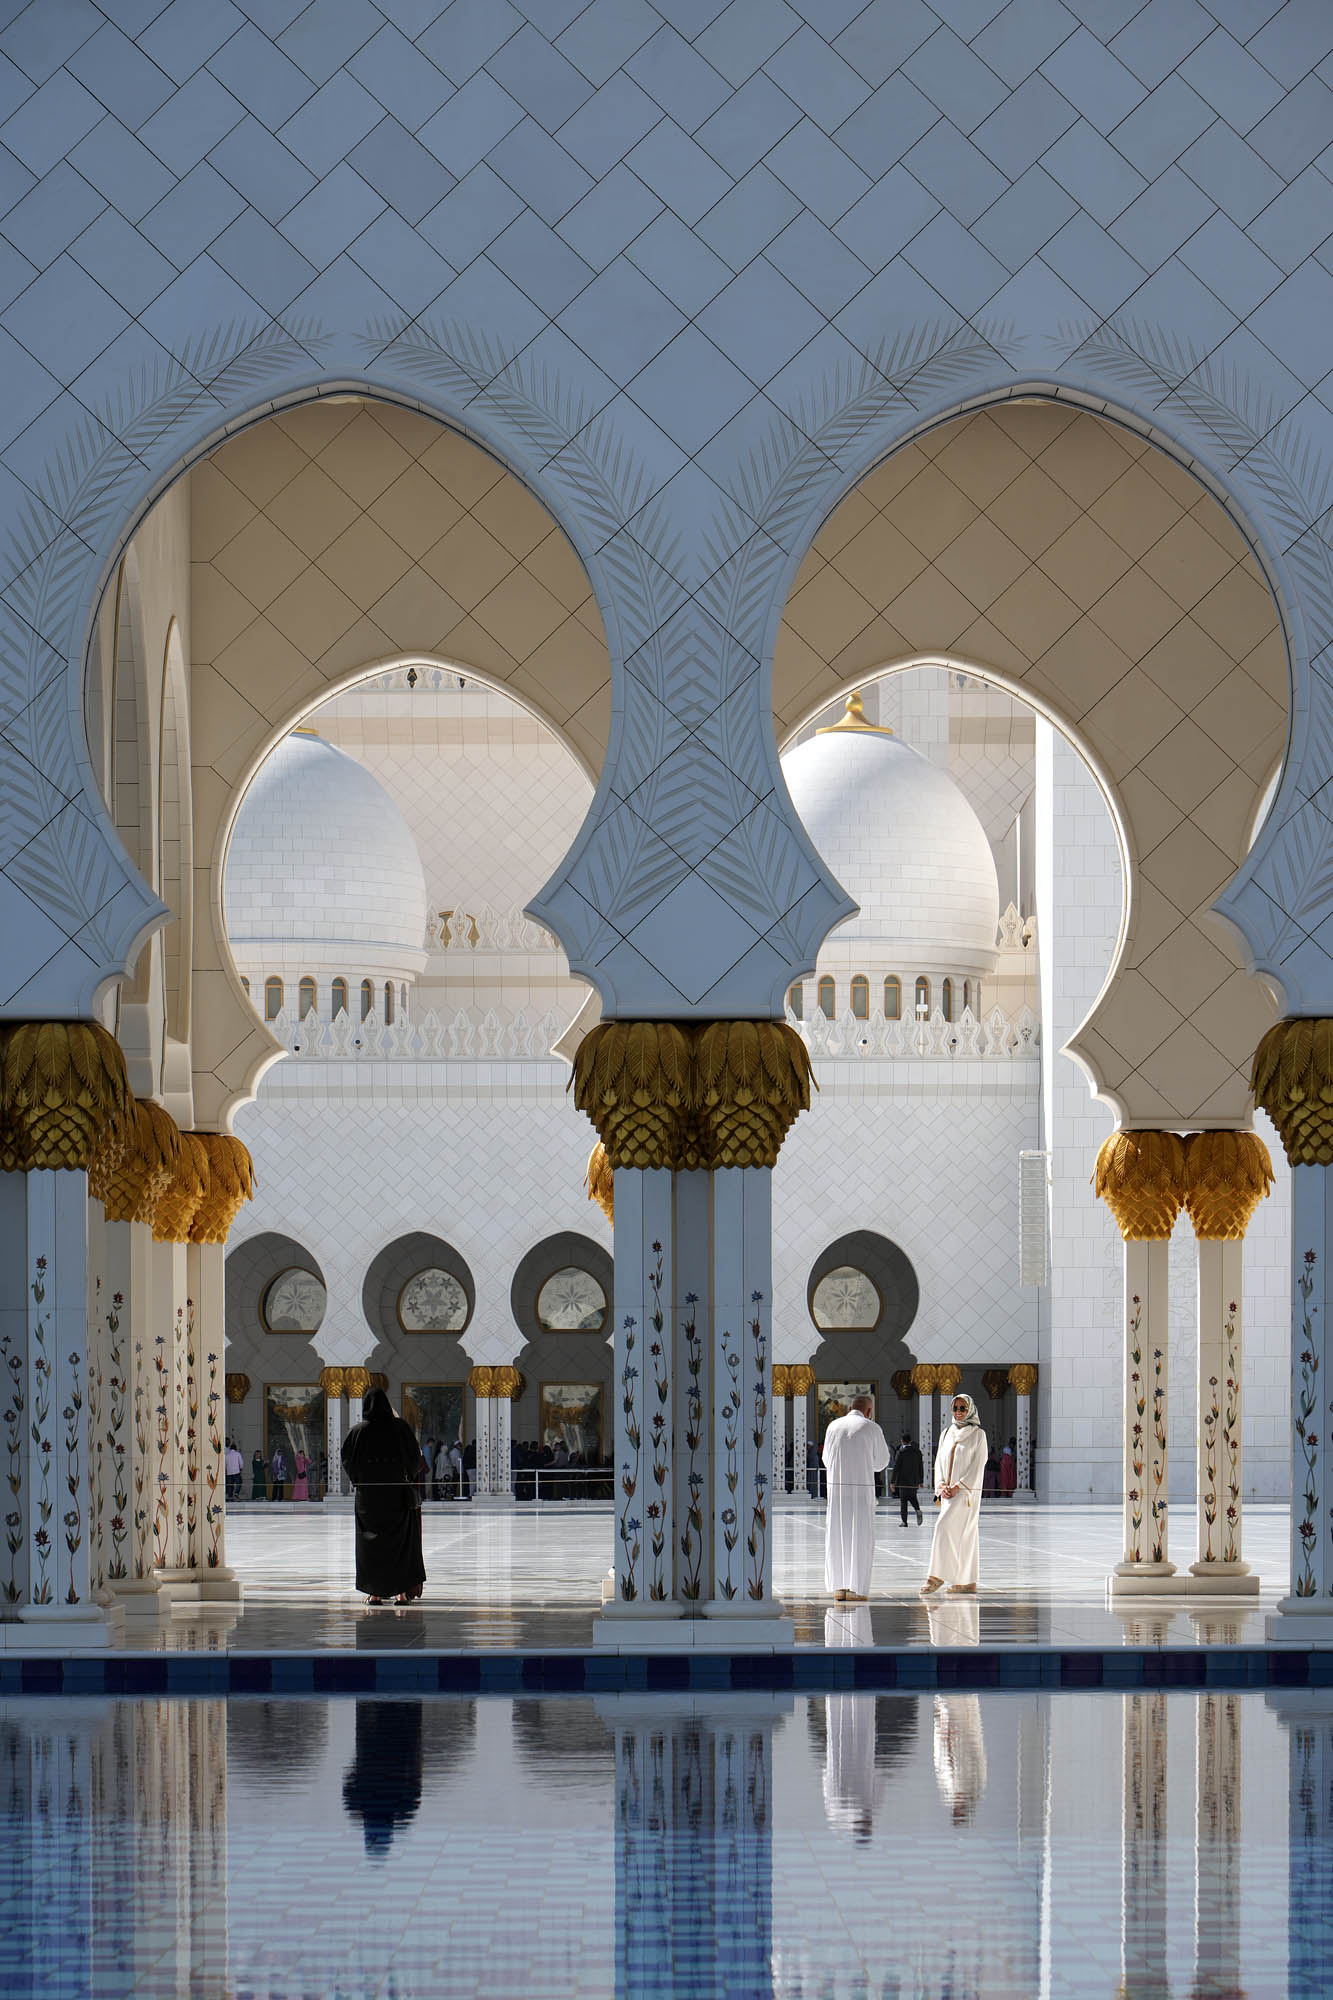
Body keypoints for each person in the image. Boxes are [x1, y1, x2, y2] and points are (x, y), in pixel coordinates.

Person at [341, 1387, 426, 1605]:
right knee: (400, 1545)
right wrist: (404, 1474)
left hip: (368, 1500)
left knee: (372, 1547)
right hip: (397, 1496)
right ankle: (401, 1593)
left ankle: (375, 1593)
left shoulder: (358, 1431)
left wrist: (361, 1481)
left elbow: (347, 1461)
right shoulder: (400, 1428)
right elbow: (415, 1459)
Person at [821, 1394, 890, 1602]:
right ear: (869, 1411)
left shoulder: (833, 1426)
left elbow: (826, 1460)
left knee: (837, 1535)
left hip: (838, 1493)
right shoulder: (872, 1428)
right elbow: (881, 1462)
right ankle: (857, 1588)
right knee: (861, 1537)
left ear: (850, 1407)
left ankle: (839, 1587)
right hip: (862, 1492)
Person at [922, 1392, 988, 1596]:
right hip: (947, 1493)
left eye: (963, 1408)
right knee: (960, 1534)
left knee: (948, 1528)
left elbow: (978, 1465)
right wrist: (940, 1485)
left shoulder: (978, 1434)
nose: (959, 1412)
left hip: (965, 1494)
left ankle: (936, 1575)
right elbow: (939, 1463)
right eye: (956, 1408)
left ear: (970, 1410)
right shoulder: (946, 1433)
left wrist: (959, 1486)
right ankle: (965, 1581)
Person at [890, 1433, 924, 1526]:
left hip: (903, 1481)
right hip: (914, 1481)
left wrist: (892, 1482)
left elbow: (896, 1468)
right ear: (910, 1441)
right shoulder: (917, 1452)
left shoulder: (901, 1452)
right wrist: (921, 1480)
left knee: (903, 1501)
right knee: (913, 1497)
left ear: (902, 1441)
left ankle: (904, 1521)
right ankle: (917, 1509)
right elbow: (920, 1467)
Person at [224, 1438, 243, 1504]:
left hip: (229, 1472)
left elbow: (225, 1463)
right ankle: (236, 1493)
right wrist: (241, 1468)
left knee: (230, 1485)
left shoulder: (227, 1455)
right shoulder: (238, 1454)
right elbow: (241, 1463)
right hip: (236, 1472)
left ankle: (229, 1497)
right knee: (239, 1482)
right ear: (235, 1448)